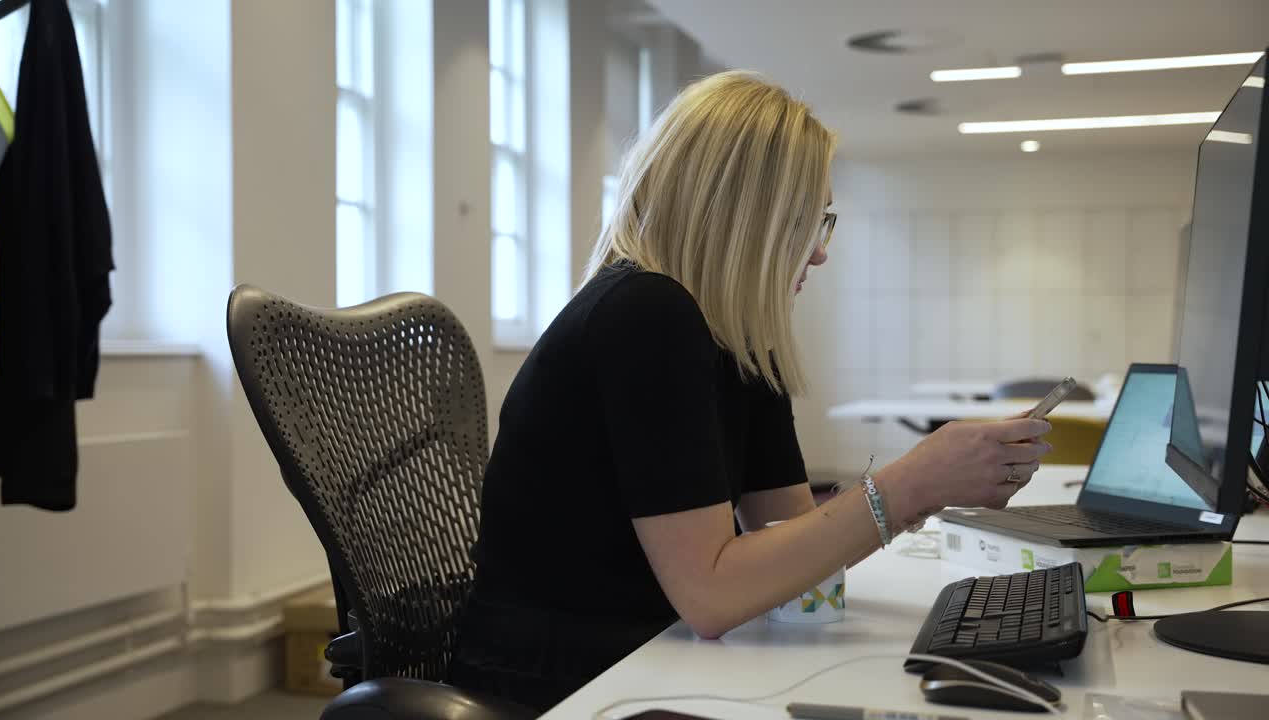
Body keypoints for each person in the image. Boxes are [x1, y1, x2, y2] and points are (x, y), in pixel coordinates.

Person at [449, 71, 1051, 712]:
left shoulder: (731, 336)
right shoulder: (644, 313)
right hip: (560, 681)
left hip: (644, 652)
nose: (818, 254)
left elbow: (793, 539)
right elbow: (712, 596)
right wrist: (907, 486)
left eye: (826, 222)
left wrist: (925, 493)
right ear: (744, 214)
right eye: (808, 221)